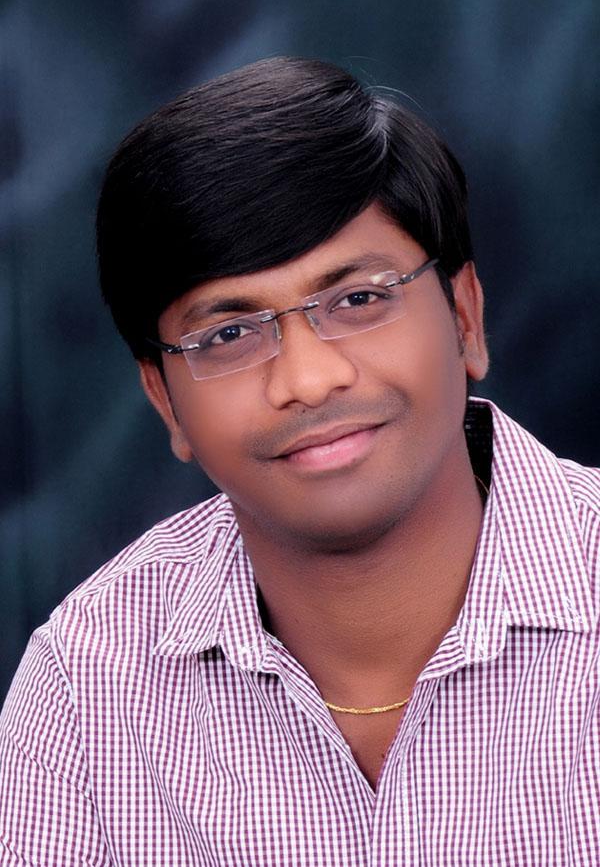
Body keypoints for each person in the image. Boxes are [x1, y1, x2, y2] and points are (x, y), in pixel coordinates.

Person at [0, 57, 598, 867]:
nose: (309, 380)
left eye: (358, 299)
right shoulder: (87, 686)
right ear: (165, 400)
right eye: (228, 334)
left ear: (464, 316)